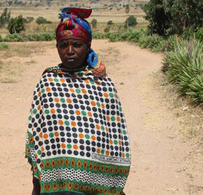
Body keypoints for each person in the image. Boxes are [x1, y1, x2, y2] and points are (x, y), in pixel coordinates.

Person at [25, 7, 131, 195]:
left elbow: (115, 135)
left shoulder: (102, 82)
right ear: (57, 47)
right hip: (56, 180)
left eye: (77, 44)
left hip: (95, 181)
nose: (70, 51)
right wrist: (36, 181)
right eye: (63, 45)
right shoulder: (48, 82)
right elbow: (36, 133)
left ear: (88, 46)